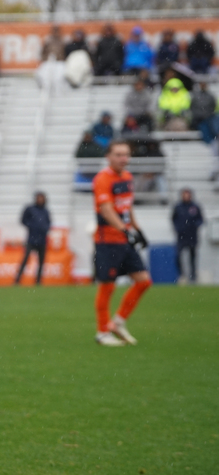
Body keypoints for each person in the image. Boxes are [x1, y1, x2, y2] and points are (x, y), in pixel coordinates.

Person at [91, 140, 152, 347]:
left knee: (144, 281)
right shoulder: (102, 179)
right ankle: (102, 333)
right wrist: (125, 230)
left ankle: (117, 322)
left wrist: (138, 229)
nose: (123, 159)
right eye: (118, 154)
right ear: (108, 156)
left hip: (123, 239)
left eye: (126, 155)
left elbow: (126, 207)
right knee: (107, 287)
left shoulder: (127, 177)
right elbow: (107, 210)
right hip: (107, 241)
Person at [14, 192, 51, 285]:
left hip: (42, 240)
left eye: (41, 198)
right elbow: (23, 220)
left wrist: (45, 229)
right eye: (39, 198)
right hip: (31, 239)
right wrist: (32, 226)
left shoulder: (45, 211)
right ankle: (17, 280)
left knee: (41, 262)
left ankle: (38, 281)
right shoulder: (30, 209)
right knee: (25, 259)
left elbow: (49, 223)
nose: (40, 200)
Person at [171, 189, 203, 284]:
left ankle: (193, 276)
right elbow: (173, 219)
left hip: (192, 236)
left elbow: (200, 219)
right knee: (178, 256)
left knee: (192, 257)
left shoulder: (195, 206)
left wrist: (194, 226)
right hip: (181, 236)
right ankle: (182, 275)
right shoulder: (178, 206)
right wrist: (178, 228)